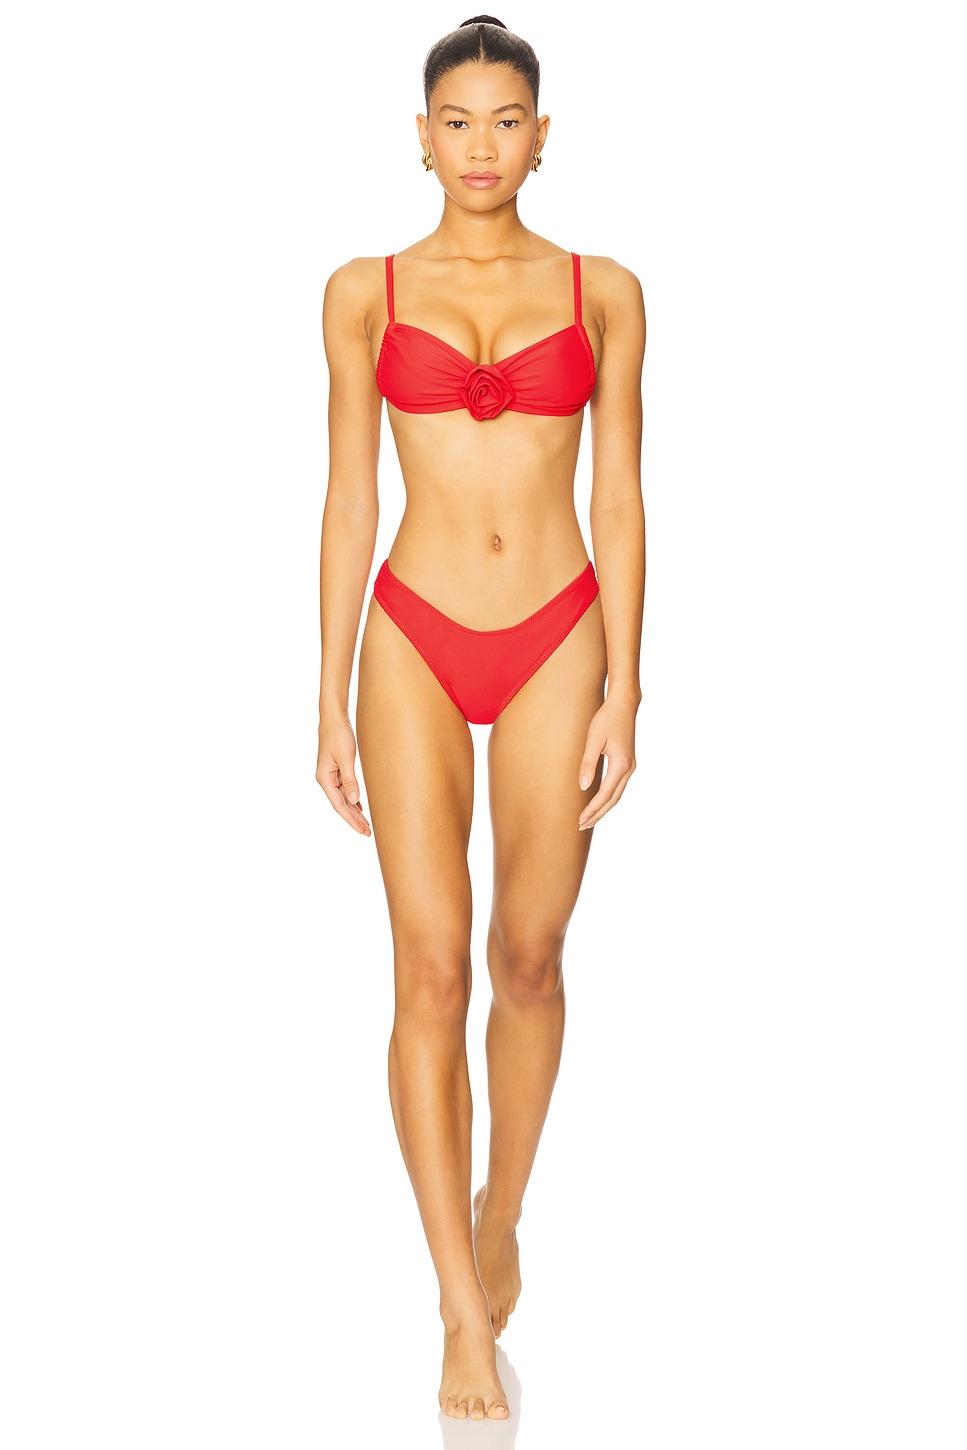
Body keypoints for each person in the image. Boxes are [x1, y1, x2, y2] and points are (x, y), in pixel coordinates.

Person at [316, 14, 646, 1423]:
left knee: (530, 951)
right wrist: (326, 689)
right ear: (421, 136)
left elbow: (619, 492)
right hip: (413, 634)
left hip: (559, 629)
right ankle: (459, 1303)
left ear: (542, 135)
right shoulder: (365, 290)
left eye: (507, 121)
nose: (481, 146)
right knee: (429, 969)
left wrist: (628, 683)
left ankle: (501, 1211)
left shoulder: (603, 290)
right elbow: (349, 494)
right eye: (457, 122)